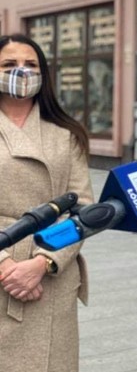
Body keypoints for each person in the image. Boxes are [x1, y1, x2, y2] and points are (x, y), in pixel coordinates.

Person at [0, 34, 93, 372]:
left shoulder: (66, 133)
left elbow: (83, 209)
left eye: (31, 65)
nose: (22, 71)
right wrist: (6, 267)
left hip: (51, 276)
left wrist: (43, 262)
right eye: (9, 65)